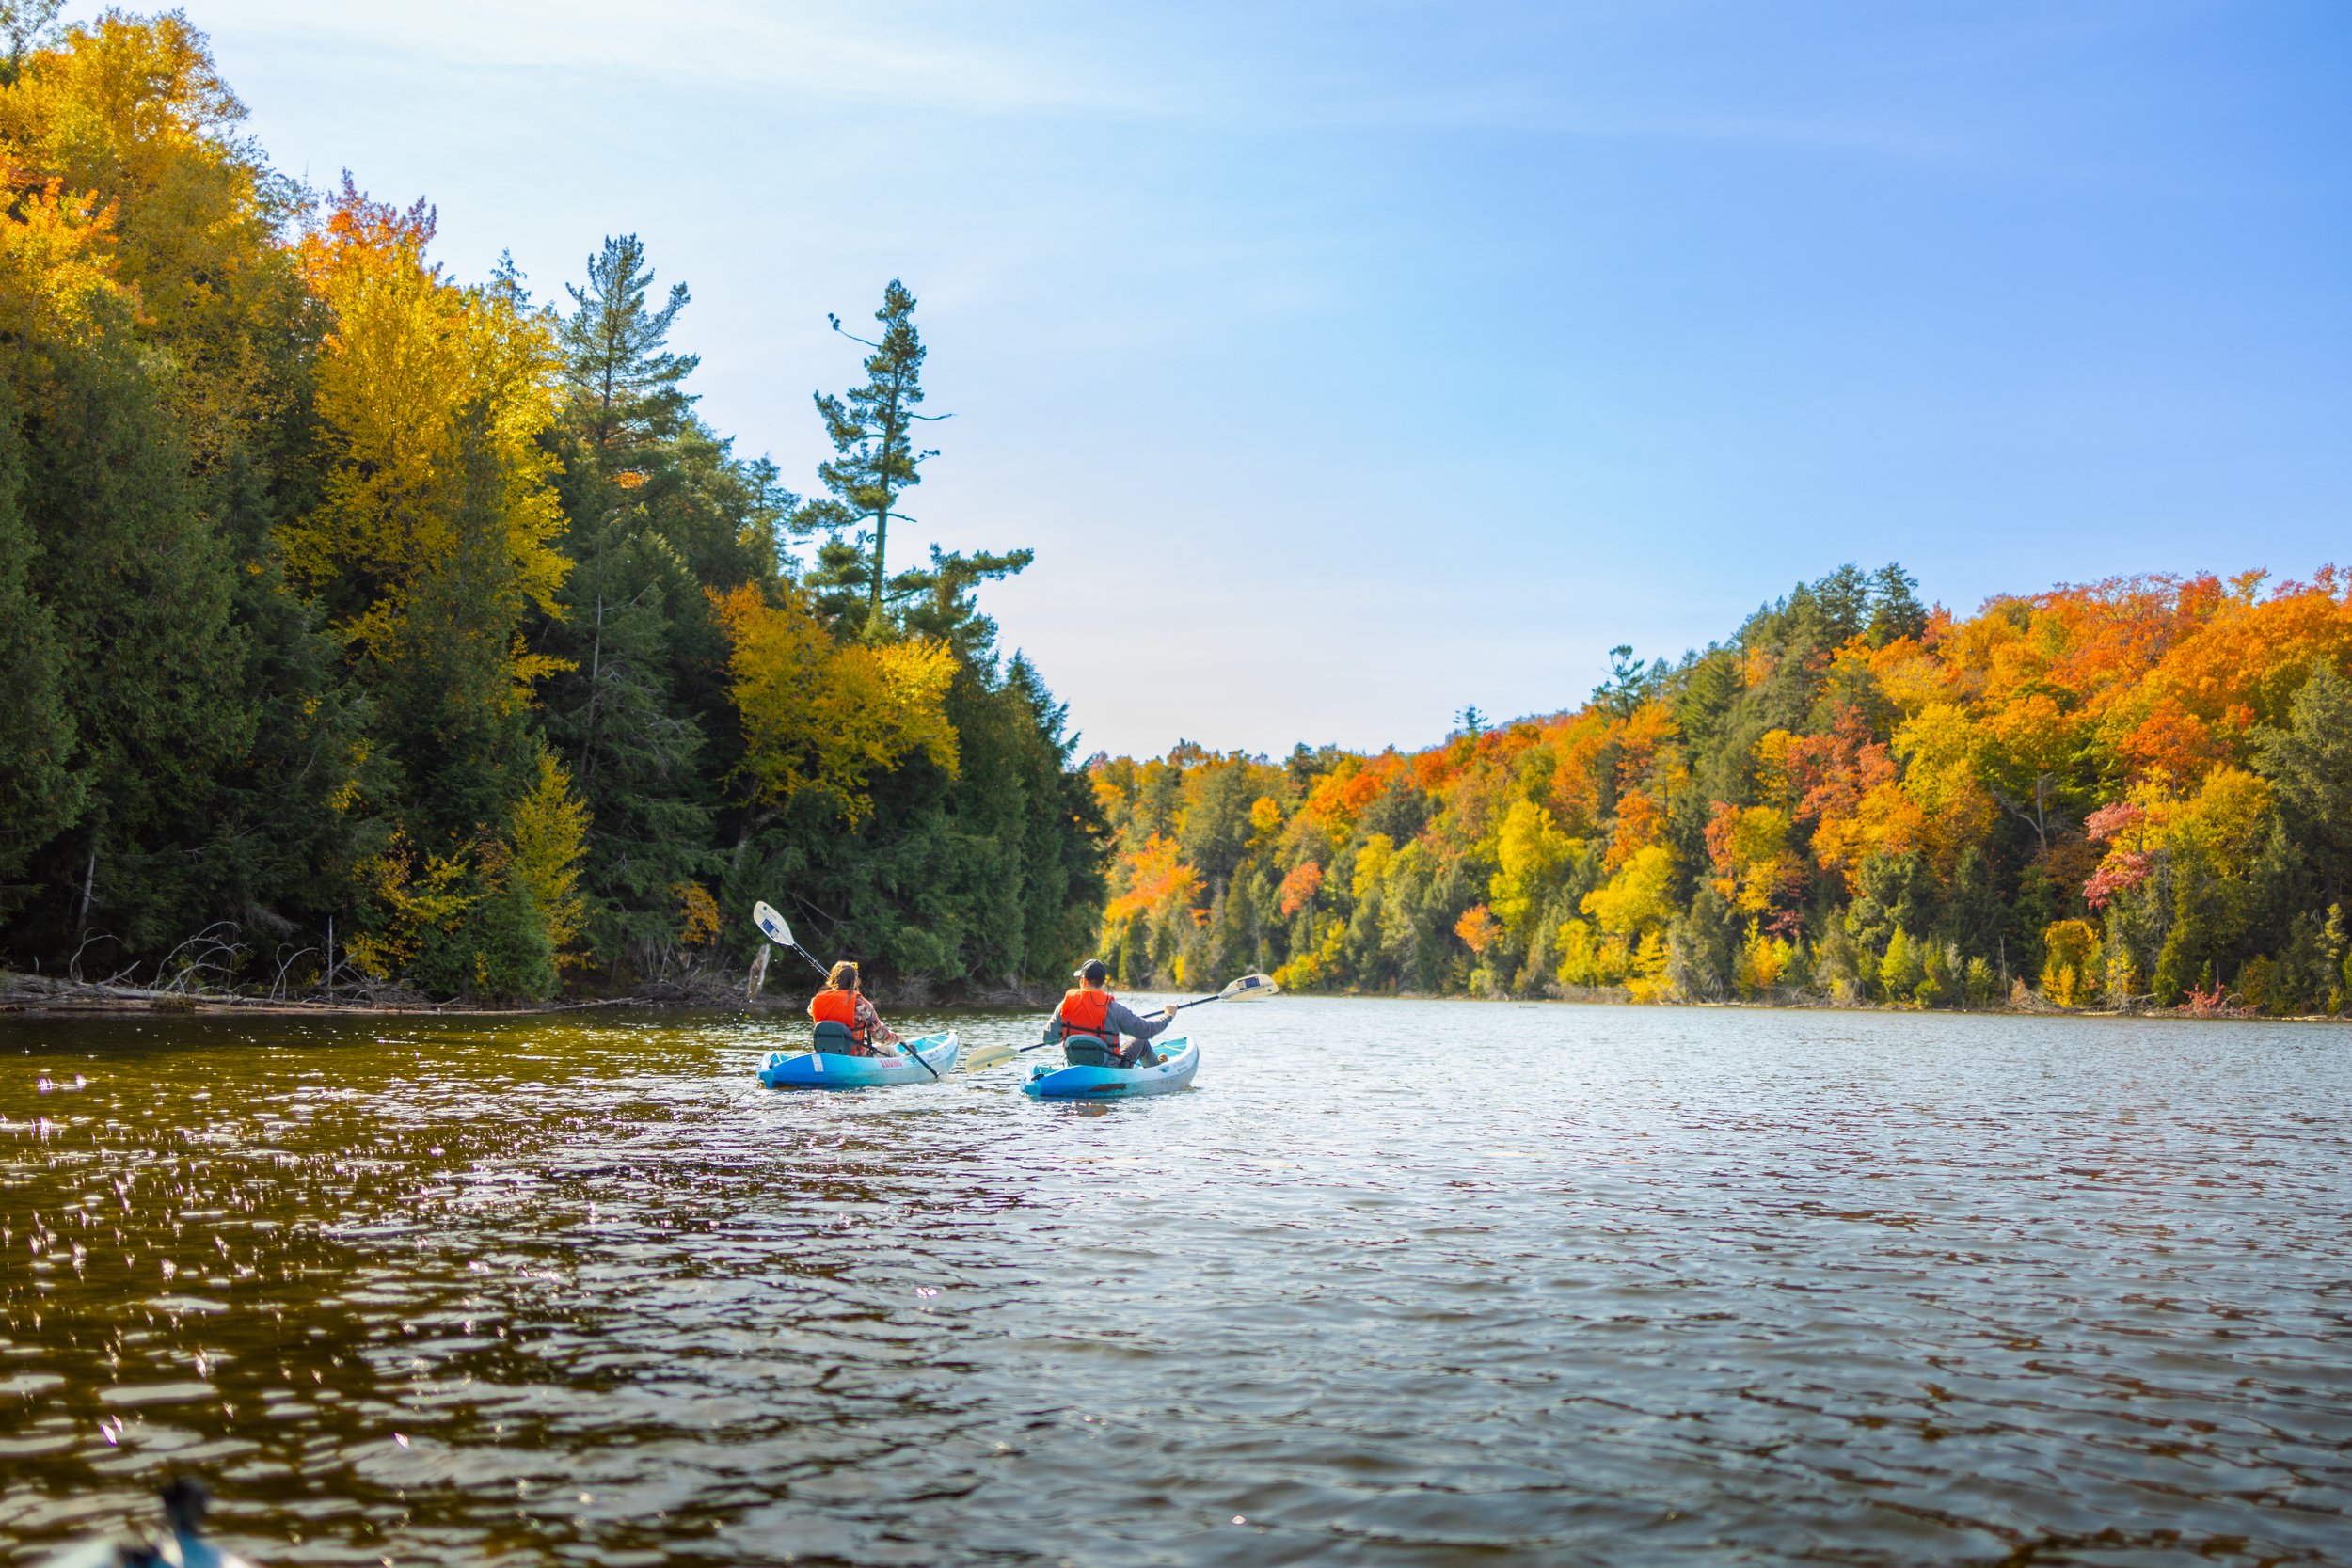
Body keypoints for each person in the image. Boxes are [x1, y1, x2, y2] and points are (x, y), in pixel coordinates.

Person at [1046, 959, 1176, 1067]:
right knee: (1140, 1040)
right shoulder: (1114, 1009)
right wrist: (1168, 1016)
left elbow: (1048, 1039)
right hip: (1111, 1071)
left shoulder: (1065, 1006)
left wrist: (1064, 1034)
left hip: (1076, 1067)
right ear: (1102, 982)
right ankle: (1156, 1066)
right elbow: (1147, 1030)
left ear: (1083, 981)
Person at [808, 961, 903, 1056]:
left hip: (824, 1056)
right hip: (855, 1057)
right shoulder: (861, 1004)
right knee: (887, 1049)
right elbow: (881, 1037)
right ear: (855, 981)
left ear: (834, 978)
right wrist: (897, 1038)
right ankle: (908, 1060)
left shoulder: (816, 1000)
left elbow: (811, 1011)